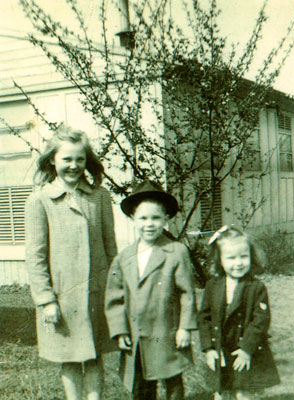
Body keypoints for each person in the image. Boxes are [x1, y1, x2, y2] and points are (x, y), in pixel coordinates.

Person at [25, 125, 117, 400]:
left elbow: (110, 246)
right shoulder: (40, 200)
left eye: (79, 159)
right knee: (70, 357)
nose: (74, 165)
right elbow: (36, 256)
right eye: (67, 159)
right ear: (52, 160)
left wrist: (115, 290)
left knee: (94, 355)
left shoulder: (99, 197)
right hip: (62, 298)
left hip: (97, 293)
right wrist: (46, 300)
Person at [105, 180, 198, 400]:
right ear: (132, 219)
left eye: (155, 218)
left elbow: (187, 293)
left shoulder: (175, 252)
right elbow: (114, 297)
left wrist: (185, 328)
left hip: (166, 331)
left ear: (166, 218)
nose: (149, 224)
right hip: (137, 335)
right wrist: (120, 331)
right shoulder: (124, 257)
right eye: (143, 218)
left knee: (172, 382)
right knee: (141, 386)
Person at [198, 225, 280, 400]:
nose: (238, 263)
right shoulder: (213, 286)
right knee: (220, 391)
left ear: (251, 256)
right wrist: (208, 348)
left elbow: (260, 321)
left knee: (244, 392)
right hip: (220, 347)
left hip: (244, 348)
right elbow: (204, 318)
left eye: (244, 256)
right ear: (220, 260)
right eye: (231, 258)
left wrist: (246, 350)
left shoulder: (256, 287)